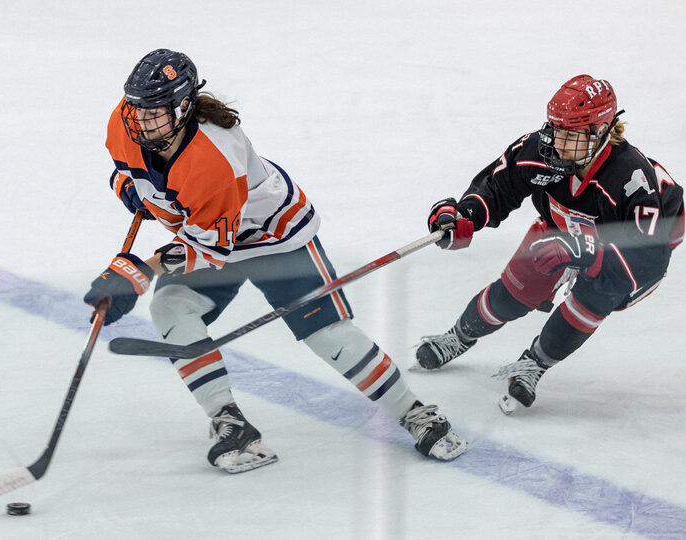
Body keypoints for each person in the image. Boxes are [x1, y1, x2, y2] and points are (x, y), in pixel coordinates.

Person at [82, 48, 467, 472]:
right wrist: (133, 190)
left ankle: (414, 413)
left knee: (327, 334)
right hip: (215, 234)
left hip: (275, 238)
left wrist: (141, 270)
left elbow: (210, 249)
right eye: (137, 109)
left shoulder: (215, 158)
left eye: (155, 111)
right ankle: (230, 423)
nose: (141, 120)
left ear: (185, 105)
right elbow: (125, 170)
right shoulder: (127, 121)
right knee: (170, 306)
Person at [412, 74, 684, 415]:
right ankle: (458, 336)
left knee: (597, 293)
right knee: (514, 292)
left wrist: (586, 253)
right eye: (556, 129)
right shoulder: (539, 150)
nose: (557, 141)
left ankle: (535, 364)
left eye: (570, 134)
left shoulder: (631, 181)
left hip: (627, 251)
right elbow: (498, 187)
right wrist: (463, 214)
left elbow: (649, 260)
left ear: (600, 132)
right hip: (562, 224)